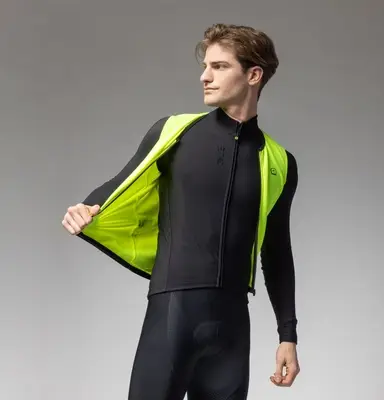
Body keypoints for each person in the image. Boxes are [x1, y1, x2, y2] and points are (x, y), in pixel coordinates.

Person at [62, 23, 300, 400]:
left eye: (219, 66)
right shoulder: (175, 133)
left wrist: (288, 335)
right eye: (205, 66)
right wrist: (85, 209)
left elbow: (277, 251)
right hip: (172, 314)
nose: (205, 76)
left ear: (253, 75)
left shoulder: (280, 162)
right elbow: (118, 185)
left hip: (233, 325)